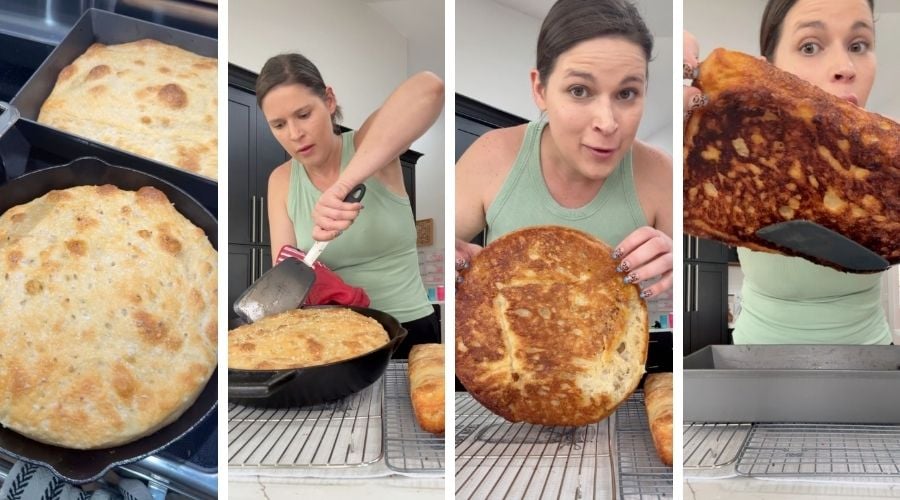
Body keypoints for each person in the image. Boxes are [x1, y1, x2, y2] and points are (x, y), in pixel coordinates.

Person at [685, 0, 893, 344]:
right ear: (769, 70)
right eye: (810, 46)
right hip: (755, 364)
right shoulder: (734, 158)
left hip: (873, 362)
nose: (845, 67)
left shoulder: (889, 170)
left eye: (858, 45)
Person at [456, 0, 674, 299]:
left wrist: (674, 267)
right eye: (579, 90)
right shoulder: (490, 156)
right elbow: (442, 254)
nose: (607, 123)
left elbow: (674, 287)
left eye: (627, 93)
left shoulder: (662, 175)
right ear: (540, 90)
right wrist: (454, 262)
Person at [257, 53, 445, 357]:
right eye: (279, 125)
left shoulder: (368, 145)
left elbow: (430, 88)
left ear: (329, 101)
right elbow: (286, 274)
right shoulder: (280, 180)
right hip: (336, 340)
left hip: (409, 330)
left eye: (304, 114)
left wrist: (343, 186)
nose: (294, 134)